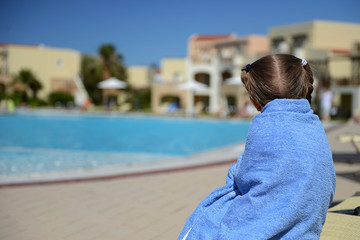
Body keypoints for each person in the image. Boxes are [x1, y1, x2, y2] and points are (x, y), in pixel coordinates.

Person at [178, 54, 336, 240]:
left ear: (254, 101)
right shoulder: (313, 125)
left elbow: (245, 177)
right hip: (306, 226)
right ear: (305, 89)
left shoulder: (266, 125)